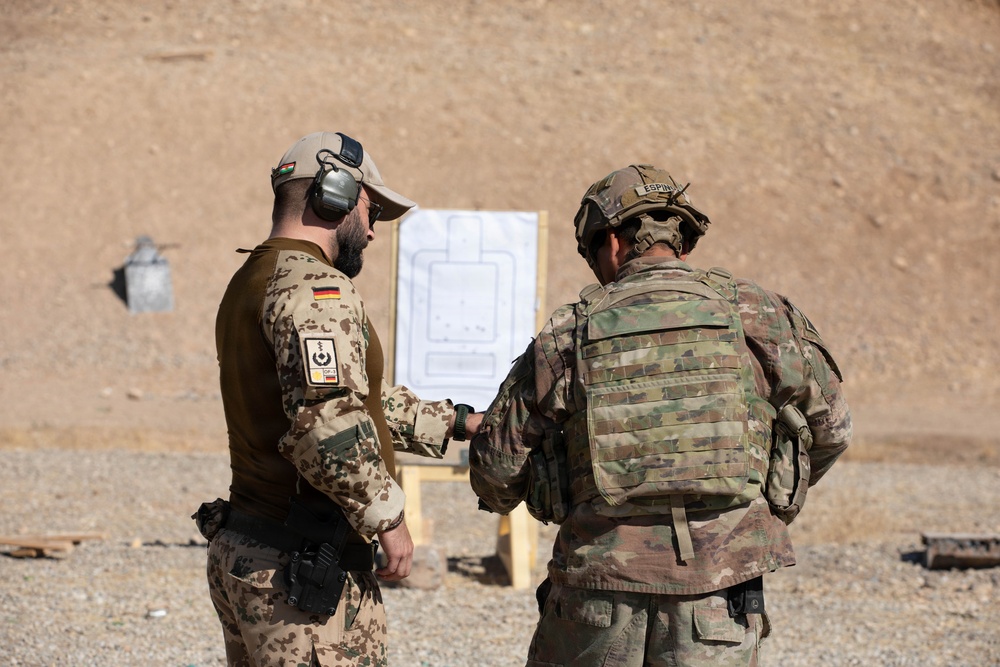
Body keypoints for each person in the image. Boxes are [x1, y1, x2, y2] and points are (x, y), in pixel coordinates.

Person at [469, 164, 852, 666]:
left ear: (609, 241)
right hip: (721, 595)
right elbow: (832, 430)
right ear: (681, 241)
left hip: (595, 598)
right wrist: (764, 501)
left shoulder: (570, 330)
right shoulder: (756, 313)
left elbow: (497, 472)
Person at [196, 131, 481, 666]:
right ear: (336, 194)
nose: (372, 232)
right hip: (300, 571)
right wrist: (388, 519)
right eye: (371, 211)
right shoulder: (315, 288)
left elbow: (351, 398)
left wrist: (458, 423)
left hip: (253, 548)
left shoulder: (255, 276)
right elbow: (327, 425)